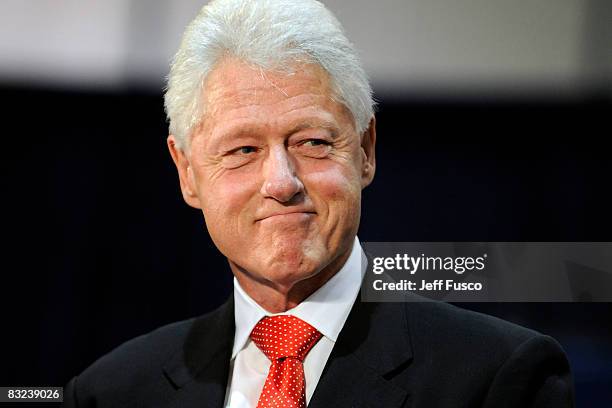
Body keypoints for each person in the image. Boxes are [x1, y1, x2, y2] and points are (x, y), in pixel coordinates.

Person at [63, 0, 574, 407]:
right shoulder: (112, 391)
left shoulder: (498, 378)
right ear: (188, 174)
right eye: (243, 150)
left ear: (365, 151)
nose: (282, 182)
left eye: (312, 142)